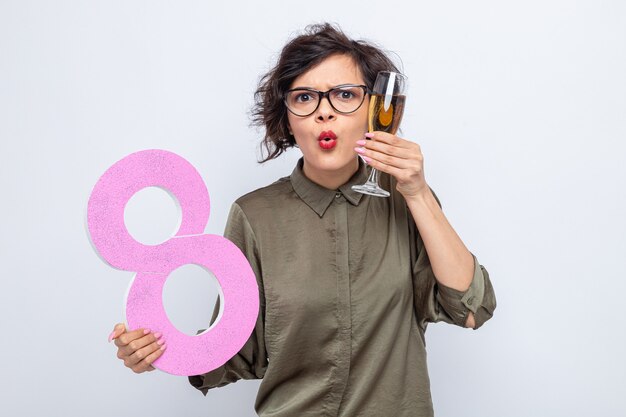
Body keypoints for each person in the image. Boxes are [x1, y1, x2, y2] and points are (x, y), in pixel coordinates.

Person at [108, 23, 496, 417]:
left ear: (375, 109)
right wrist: (157, 350)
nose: (324, 111)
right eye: (305, 97)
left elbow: (470, 308)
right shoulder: (254, 215)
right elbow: (236, 351)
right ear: (288, 118)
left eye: (345, 95)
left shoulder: (406, 202)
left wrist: (417, 192)